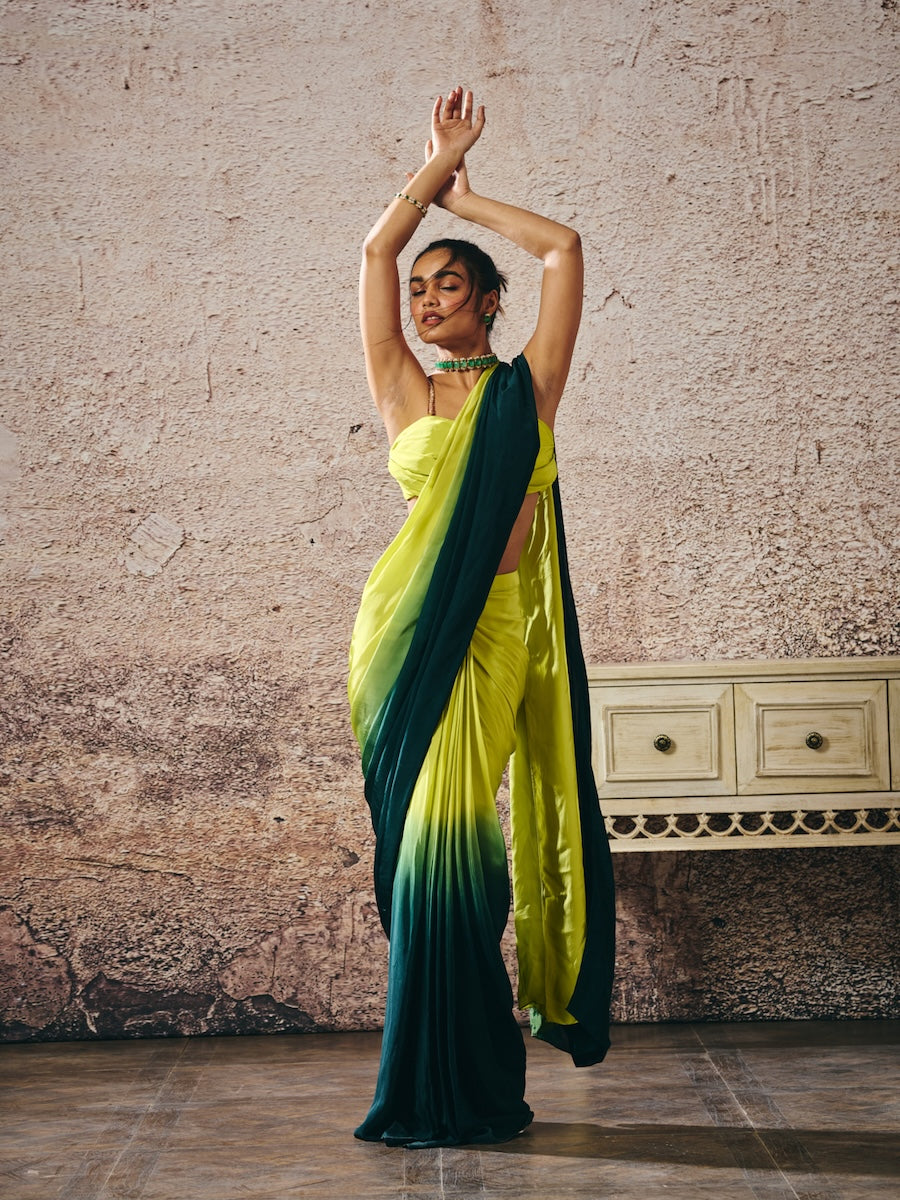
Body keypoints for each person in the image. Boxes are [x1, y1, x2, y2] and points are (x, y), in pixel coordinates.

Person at [348, 87, 615, 1148]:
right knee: (426, 845)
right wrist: (423, 187)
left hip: (495, 631)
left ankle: (469, 1063)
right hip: (404, 636)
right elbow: (372, 258)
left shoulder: (527, 389)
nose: (420, 300)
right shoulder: (406, 392)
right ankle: (428, 1074)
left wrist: (472, 192)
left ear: (487, 301)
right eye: (418, 290)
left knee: (466, 842)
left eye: (445, 285)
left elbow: (566, 249)